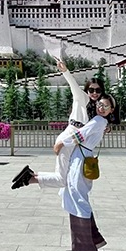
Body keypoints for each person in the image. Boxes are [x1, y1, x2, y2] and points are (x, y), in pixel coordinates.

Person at [12, 59, 92, 189]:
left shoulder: (89, 108)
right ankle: (28, 179)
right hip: (69, 138)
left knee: (63, 176)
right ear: (86, 90)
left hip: (71, 139)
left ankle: (30, 175)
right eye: (92, 90)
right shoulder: (82, 97)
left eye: (98, 91)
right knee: (62, 180)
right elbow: (73, 85)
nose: (94, 93)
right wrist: (65, 71)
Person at [62, 94, 115, 251]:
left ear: (111, 110)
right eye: (100, 104)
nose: (101, 107)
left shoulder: (99, 121)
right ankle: (94, 239)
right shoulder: (101, 121)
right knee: (79, 196)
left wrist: (61, 143)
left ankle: (84, 249)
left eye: (105, 106)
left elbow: (80, 135)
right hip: (85, 155)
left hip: (81, 156)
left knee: (77, 198)